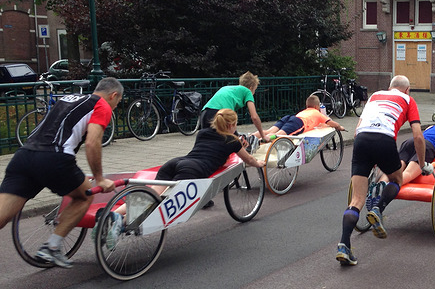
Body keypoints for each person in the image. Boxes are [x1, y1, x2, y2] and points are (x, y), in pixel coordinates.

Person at [0, 77, 124, 268]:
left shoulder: (68, 99)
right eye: (118, 102)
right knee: (84, 196)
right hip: (54, 157)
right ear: (113, 95)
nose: (115, 107)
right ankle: (52, 247)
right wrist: (99, 179)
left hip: (24, 156)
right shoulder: (102, 105)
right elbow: (92, 142)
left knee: (2, 215)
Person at [103, 109, 266, 248]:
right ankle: (122, 223)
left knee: (152, 194)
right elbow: (248, 160)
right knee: (159, 203)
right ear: (231, 125)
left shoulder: (203, 133)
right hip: (194, 170)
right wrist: (259, 163)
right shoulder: (233, 141)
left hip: (175, 162)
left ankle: (111, 215)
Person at [336, 75, 428, 266]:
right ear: (407, 89)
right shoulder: (408, 100)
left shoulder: (375, 95)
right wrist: (422, 163)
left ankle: (344, 245)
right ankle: (378, 209)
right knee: (396, 179)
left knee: (357, 200)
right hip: (384, 139)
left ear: (389, 87)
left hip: (361, 140)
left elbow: (358, 129)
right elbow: (418, 136)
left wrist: (371, 159)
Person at [200, 71, 268, 142]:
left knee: (207, 142)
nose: (253, 93)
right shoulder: (247, 91)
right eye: (254, 90)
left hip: (205, 112)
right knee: (234, 142)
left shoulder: (228, 88)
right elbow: (254, 117)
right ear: (251, 88)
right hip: (219, 115)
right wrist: (263, 135)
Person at [256, 94, 345, 140]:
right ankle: (262, 140)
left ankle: (251, 137)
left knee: (268, 131)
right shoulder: (317, 113)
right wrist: (340, 127)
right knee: (279, 135)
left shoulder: (304, 111)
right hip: (299, 123)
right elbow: (333, 123)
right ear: (317, 107)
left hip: (290, 117)